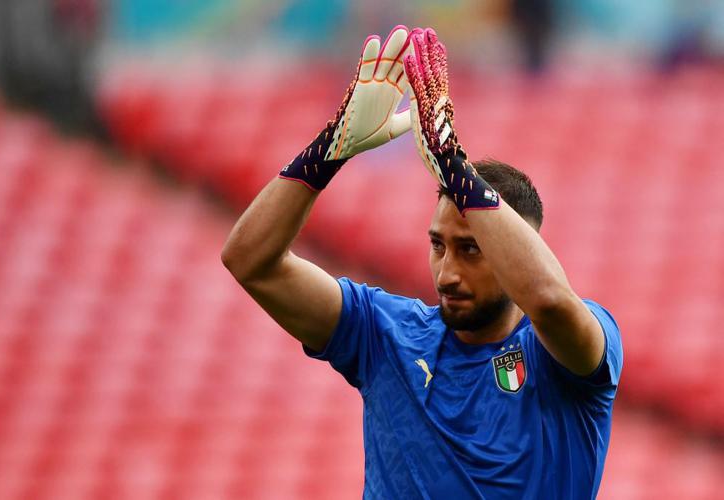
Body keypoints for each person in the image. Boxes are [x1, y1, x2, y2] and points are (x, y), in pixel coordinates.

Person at [221, 25, 622, 499]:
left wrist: (453, 163)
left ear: (516, 246)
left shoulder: (570, 349)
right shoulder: (384, 333)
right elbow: (250, 261)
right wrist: (331, 148)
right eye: (438, 245)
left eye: (471, 249)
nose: (447, 272)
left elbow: (550, 300)